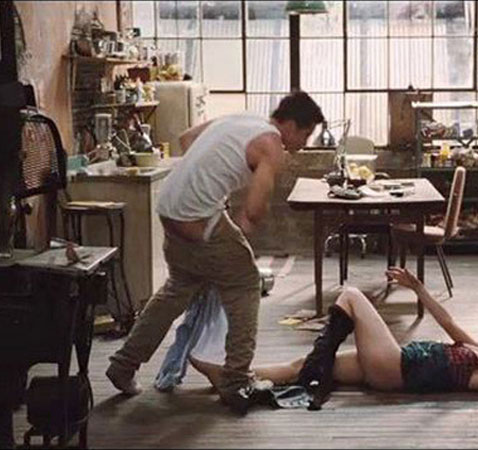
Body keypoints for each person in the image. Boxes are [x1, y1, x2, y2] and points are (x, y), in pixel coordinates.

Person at [105, 91, 325, 416]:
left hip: (169, 206)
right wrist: (240, 224)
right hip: (195, 217)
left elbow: (186, 139)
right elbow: (254, 211)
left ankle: (122, 366)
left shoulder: (242, 118)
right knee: (246, 283)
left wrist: (208, 183)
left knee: (178, 288)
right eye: (305, 135)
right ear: (290, 125)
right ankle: (235, 381)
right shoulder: (272, 146)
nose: (303, 144)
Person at [190, 267, 478, 408]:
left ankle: (314, 378)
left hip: (396, 368)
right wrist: (418, 287)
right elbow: (447, 321)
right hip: (392, 362)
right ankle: (232, 377)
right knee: (302, 364)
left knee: (352, 296)